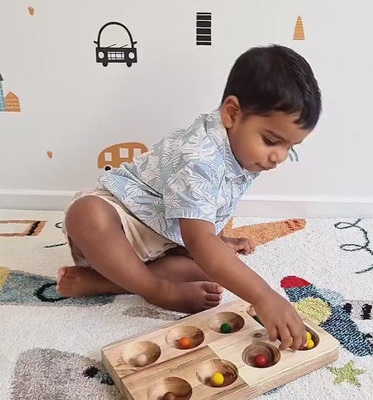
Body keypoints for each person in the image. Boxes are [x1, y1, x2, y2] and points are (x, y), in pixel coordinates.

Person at [57, 45, 321, 349]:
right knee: (86, 213)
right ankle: (155, 288)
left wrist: (219, 239)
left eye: (291, 147)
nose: (279, 157)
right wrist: (264, 296)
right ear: (232, 113)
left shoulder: (245, 147)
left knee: (218, 270)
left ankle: (104, 282)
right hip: (124, 222)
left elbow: (214, 202)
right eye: (272, 141)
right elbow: (198, 238)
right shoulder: (199, 155)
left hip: (165, 236)